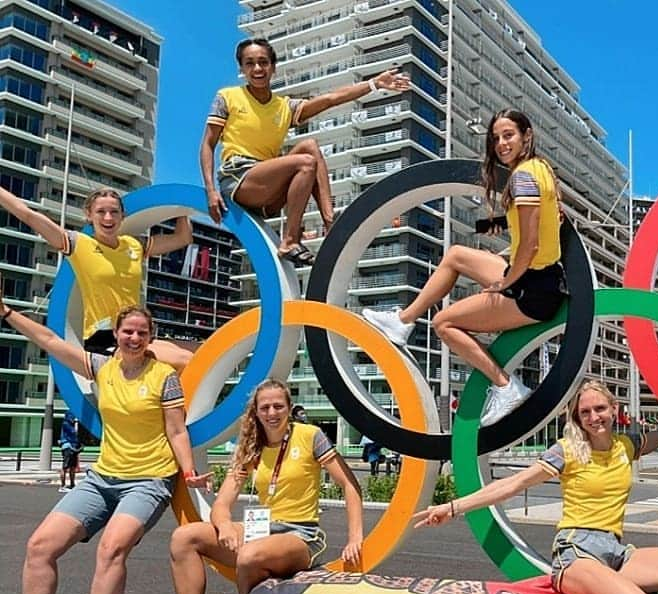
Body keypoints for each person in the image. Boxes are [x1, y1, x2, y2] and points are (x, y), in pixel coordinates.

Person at [0, 304, 209, 594]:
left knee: (111, 549)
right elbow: (48, 340)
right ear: (116, 333)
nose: (134, 338)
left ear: (151, 338)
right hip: (103, 478)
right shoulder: (101, 368)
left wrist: (188, 471)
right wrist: (7, 312)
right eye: (127, 331)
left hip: (148, 480)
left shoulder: (165, 377)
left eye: (142, 333)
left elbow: (177, 431)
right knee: (39, 547)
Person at [414, 381, 658, 594]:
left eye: (600, 408)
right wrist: (452, 508)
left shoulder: (625, 446)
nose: (594, 418)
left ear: (614, 409)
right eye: (585, 412)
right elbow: (514, 484)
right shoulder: (568, 450)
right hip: (578, 553)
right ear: (577, 418)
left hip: (617, 552)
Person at [364, 109, 567, 426]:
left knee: (444, 324)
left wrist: (504, 282)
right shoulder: (540, 169)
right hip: (538, 275)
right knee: (457, 254)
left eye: (508, 135)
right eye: (496, 138)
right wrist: (506, 260)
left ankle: (506, 386)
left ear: (527, 135)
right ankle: (403, 321)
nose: (501, 144)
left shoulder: (524, 177)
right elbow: (543, 233)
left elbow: (531, 246)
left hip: (533, 289)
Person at [161, 378, 363, 594]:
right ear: (255, 411)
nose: (272, 412)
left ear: (289, 408)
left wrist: (355, 537)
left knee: (249, 555)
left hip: (300, 534)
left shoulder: (310, 436)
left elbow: (350, 485)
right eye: (265, 407)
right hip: (262, 529)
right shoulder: (252, 446)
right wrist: (225, 525)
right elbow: (222, 503)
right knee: (184, 537)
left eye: (278, 406)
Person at [200, 38, 410, 266]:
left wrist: (374, 84)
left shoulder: (284, 107)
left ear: (273, 67)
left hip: (267, 190)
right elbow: (207, 144)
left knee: (310, 146)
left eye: (263, 62)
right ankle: (290, 240)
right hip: (238, 180)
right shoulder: (228, 97)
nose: (257, 68)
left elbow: (330, 99)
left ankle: (330, 223)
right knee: (305, 162)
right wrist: (211, 190)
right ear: (241, 68)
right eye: (250, 63)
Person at [0, 186, 196, 369]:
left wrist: (182, 208)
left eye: (114, 212)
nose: (108, 218)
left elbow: (182, 238)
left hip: (137, 334)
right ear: (89, 215)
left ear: (122, 216)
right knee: (186, 360)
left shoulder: (133, 244)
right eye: (101, 212)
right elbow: (28, 215)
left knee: (200, 351)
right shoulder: (78, 245)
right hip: (104, 339)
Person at [58, 410, 82, 493]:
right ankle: (62, 486)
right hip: (67, 447)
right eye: (72, 416)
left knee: (72, 467)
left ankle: (72, 484)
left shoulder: (69, 424)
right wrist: (76, 423)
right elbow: (74, 432)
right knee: (65, 467)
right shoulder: (66, 424)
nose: (73, 418)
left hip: (73, 447)